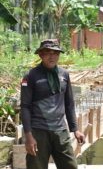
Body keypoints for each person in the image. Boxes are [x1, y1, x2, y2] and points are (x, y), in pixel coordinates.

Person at [21, 39, 85, 169]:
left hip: (60, 131)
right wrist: (28, 136)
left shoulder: (64, 75)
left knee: (70, 166)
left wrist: (75, 129)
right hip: (38, 132)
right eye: (47, 53)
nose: (52, 56)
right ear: (40, 55)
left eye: (55, 53)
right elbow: (25, 107)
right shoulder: (31, 76)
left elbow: (69, 104)